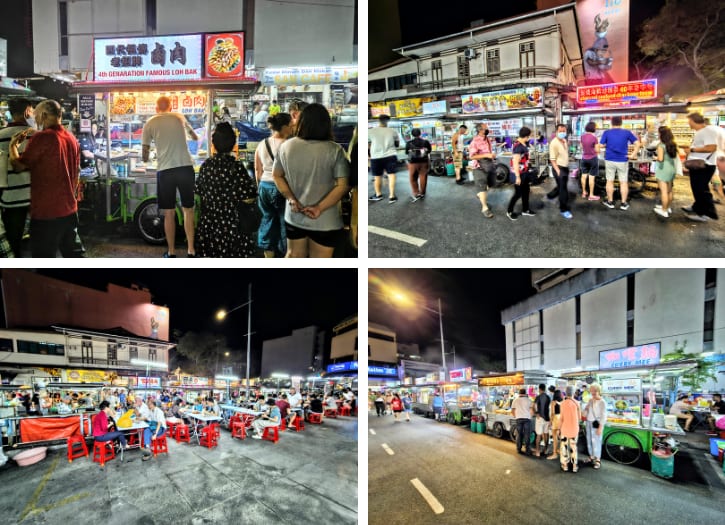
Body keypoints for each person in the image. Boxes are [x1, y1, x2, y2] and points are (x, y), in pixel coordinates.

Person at [272, 103, 350, 257]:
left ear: (302, 122)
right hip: (325, 220)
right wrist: (319, 207)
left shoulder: (286, 146)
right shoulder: (335, 150)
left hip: (295, 215)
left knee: (293, 255)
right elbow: (343, 185)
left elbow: (276, 175)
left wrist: (291, 199)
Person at [9, 99, 84, 257]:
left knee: (44, 263)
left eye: (35, 115)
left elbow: (18, 166)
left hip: (46, 214)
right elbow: (77, 172)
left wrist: (13, 146)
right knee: (76, 258)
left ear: (43, 115)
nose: (34, 119)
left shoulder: (42, 138)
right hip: (70, 210)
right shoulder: (71, 138)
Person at [141, 95, 199, 258]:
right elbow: (195, 137)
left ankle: (172, 252)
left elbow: (144, 156)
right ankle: (191, 250)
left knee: (169, 213)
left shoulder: (150, 122)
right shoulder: (179, 117)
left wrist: (153, 153)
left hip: (166, 170)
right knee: (188, 210)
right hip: (186, 167)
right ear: (171, 106)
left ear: (156, 107)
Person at [195, 122, 257, 257]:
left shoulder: (206, 166)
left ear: (214, 144)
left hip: (209, 225)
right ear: (233, 143)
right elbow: (250, 194)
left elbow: (198, 190)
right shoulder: (237, 167)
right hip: (233, 225)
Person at [255, 113, 293, 257]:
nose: (292, 128)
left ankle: (268, 256)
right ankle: (286, 255)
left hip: (264, 185)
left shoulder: (262, 143)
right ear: (283, 127)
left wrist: (260, 187)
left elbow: (258, 169)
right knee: (285, 221)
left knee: (267, 219)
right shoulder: (288, 145)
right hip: (282, 187)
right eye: (290, 125)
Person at [0, 98, 34, 257]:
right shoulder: (37, 135)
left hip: (12, 197)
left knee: (14, 242)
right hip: (36, 197)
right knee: (40, 243)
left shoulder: (1, 135)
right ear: (27, 111)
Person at [683, 112, 719, 222]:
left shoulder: (708, 131)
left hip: (704, 165)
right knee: (697, 188)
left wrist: (692, 150)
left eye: (689, 121)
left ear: (694, 120)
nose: (689, 124)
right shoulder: (701, 131)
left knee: (702, 190)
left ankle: (706, 213)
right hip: (698, 165)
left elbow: (712, 147)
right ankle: (697, 206)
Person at [599, 115, 639, 210]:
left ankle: (610, 202)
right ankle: (624, 203)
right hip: (622, 160)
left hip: (610, 159)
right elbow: (637, 143)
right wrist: (633, 155)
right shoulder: (627, 132)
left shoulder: (607, 132)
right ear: (621, 123)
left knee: (610, 181)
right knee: (623, 182)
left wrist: (607, 145)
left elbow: (600, 145)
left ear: (611, 123)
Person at [507, 126, 537, 220]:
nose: (530, 138)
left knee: (526, 192)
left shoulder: (524, 143)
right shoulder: (518, 146)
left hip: (525, 172)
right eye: (529, 136)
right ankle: (509, 211)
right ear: (526, 136)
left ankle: (525, 210)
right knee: (518, 193)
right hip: (519, 173)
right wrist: (517, 177)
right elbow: (515, 162)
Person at [368, 114, 400, 203]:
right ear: (388, 121)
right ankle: (392, 196)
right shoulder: (393, 131)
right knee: (391, 175)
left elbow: (367, 144)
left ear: (379, 121)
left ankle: (378, 195)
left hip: (376, 157)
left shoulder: (370, 131)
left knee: (377, 176)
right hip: (390, 155)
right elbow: (397, 144)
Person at [468, 123, 497, 218]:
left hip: (488, 165)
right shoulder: (475, 141)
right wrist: (486, 155)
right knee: (482, 188)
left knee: (489, 184)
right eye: (486, 128)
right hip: (479, 167)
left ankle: (480, 193)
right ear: (480, 130)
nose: (487, 129)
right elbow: (471, 156)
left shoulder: (487, 138)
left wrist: (491, 155)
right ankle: (484, 208)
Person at [549, 123, 573, 219]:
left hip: (565, 167)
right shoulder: (554, 143)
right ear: (556, 132)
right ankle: (563, 209)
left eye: (564, 131)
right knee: (563, 190)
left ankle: (551, 195)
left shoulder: (564, 140)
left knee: (561, 186)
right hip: (559, 168)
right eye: (560, 131)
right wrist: (558, 170)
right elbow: (552, 159)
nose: (562, 133)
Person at [653, 126, 678, 218]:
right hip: (671, 168)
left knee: (663, 191)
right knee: (669, 190)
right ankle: (667, 207)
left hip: (663, 169)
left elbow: (660, 159)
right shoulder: (672, 144)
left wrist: (654, 157)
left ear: (661, 134)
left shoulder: (661, 145)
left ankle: (664, 211)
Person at [583, 383, 606, 470]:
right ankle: (591, 456)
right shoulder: (590, 400)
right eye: (591, 391)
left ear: (598, 391)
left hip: (597, 424)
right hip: (588, 422)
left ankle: (597, 459)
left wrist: (600, 427)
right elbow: (585, 412)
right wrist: (587, 406)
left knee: (596, 442)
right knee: (589, 440)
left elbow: (604, 416)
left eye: (594, 391)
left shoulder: (602, 402)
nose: (592, 392)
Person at [559, 386, 582, 472]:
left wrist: (559, 429)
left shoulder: (562, 403)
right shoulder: (577, 403)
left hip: (564, 428)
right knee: (573, 447)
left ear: (566, 392)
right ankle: (574, 466)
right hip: (574, 429)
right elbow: (579, 417)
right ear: (573, 393)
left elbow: (561, 418)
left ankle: (565, 465)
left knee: (564, 447)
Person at [405, 128, 431, 202]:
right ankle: (422, 193)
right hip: (423, 162)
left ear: (412, 134)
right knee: (423, 177)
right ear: (420, 133)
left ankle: (416, 192)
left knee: (413, 177)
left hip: (413, 163)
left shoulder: (409, 143)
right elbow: (429, 150)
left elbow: (406, 152)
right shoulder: (425, 142)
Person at [580, 121, 601, 201]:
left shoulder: (582, 136)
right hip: (593, 159)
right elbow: (597, 150)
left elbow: (581, 147)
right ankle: (591, 195)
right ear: (593, 128)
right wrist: (598, 148)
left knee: (584, 176)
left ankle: (584, 192)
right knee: (591, 178)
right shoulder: (594, 138)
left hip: (584, 158)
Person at [511, 388, 532, 455]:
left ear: (519, 393)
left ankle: (519, 449)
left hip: (519, 419)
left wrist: (515, 416)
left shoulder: (515, 400)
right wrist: (530, 416)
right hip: (527, 419)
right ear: (525, 393)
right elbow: (532, 410)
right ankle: (527, 450)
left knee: (519, 434)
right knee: (527, 435)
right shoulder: (529, 400)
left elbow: (512, 410)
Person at [532, 384, 551, 457]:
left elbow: (534, 406)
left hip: (540, 418)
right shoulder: (548, 397)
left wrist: (536, 413)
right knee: (546, 434)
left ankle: (537, 452)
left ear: (540, 389)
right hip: (547, 418)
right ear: (545, 389)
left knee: (539, 435)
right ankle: (546, 450)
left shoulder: (538, 397)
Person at [547, 389, 563, 460]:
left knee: (555, 437)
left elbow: (552, 413)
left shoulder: (553, 402)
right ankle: (560, 451)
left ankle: (554, 453)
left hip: (556, 418)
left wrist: (550, 421)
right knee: (561, 436)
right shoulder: (562, 401)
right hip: (561, 418)